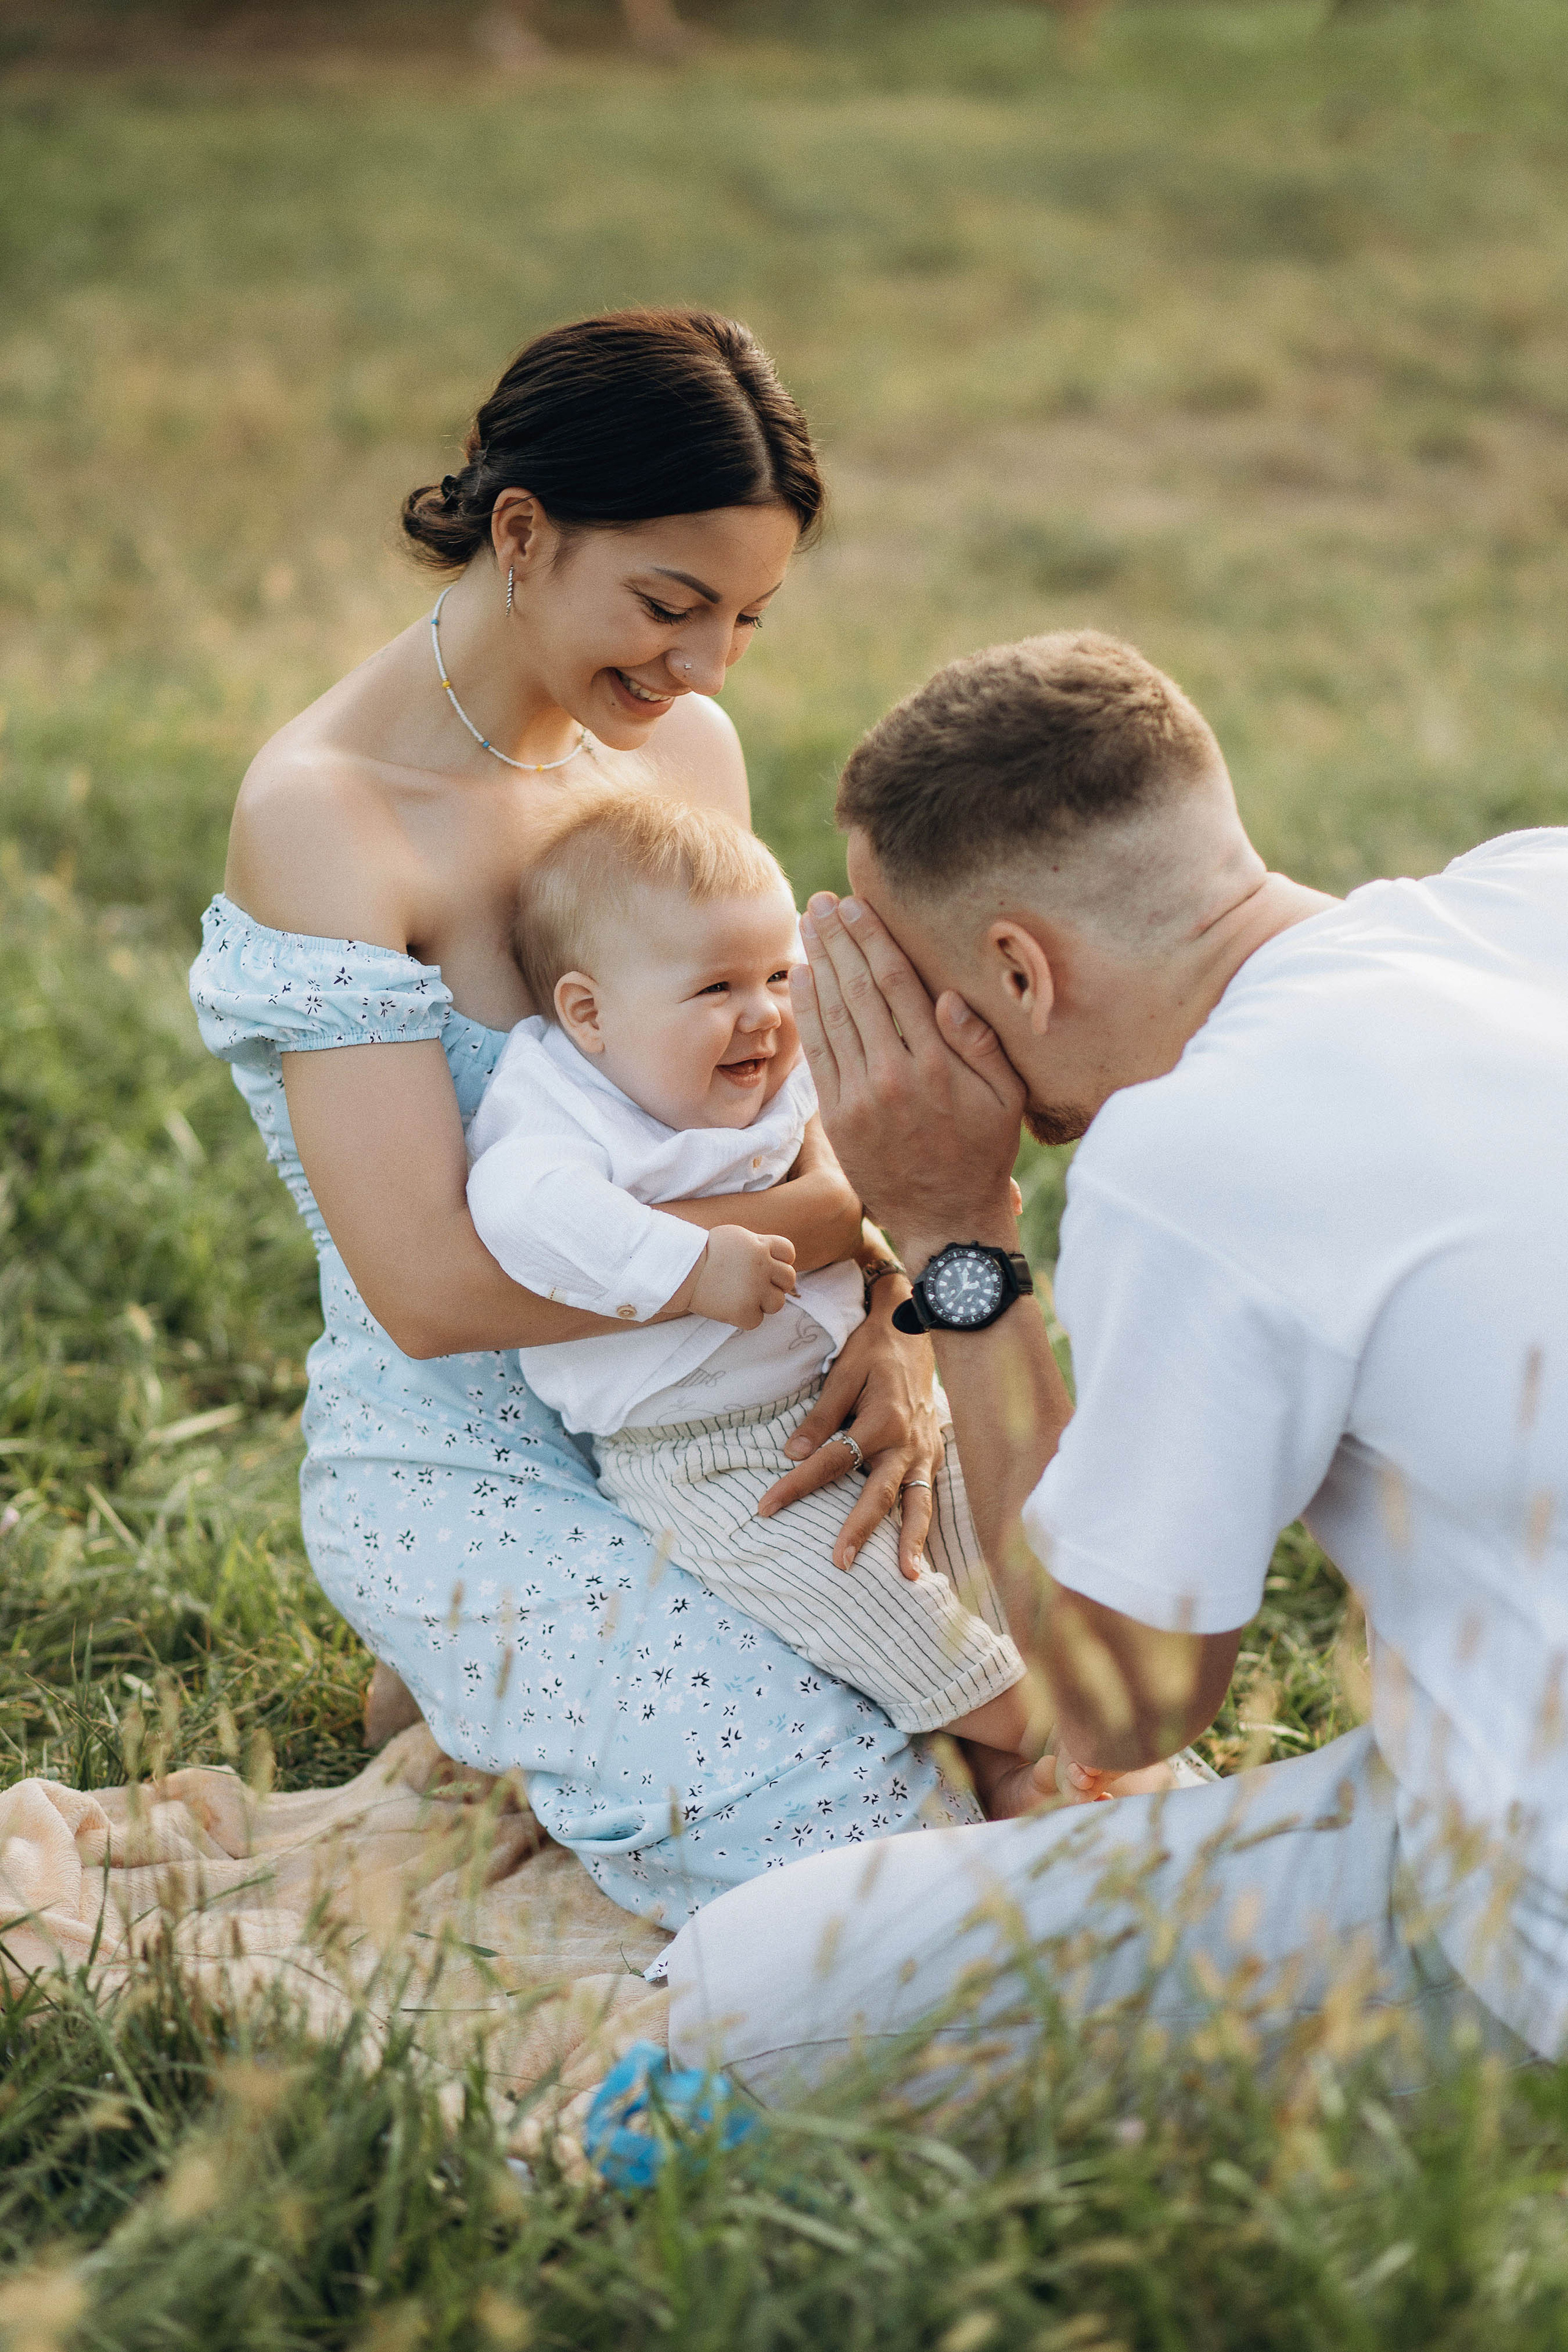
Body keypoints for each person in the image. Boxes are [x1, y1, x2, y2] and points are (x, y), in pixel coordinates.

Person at [664, 630, 1567, 2088]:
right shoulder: (1533, 887)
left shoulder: (1196, 1149)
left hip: (1533, 1917)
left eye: (917, 988)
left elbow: (1115, 1702)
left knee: (742, 1994)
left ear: (1017, 970)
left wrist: (950, 1226)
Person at [189, 309, 988, 1928]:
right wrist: (842, 1223)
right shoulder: (326, 816)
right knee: (876, 1865)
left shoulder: (681, 750)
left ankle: (484, 1706)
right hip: (470, 1454)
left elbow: (784, 1095)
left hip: (748, 1410)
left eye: (745, 619)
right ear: (521, 532)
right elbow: (434, 1288)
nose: (703, 668)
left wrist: (896, 1321)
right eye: (669, 606)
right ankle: (474, 1639)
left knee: (1032, 1732)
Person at [463, 788, 1057, 1814]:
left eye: (779, 976)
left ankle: (1027, 1777)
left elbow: (862, 1173)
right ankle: (1054, 1740)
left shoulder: (772, 1069)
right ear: (589, 1014)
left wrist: (909, 1265)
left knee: (979, 1547)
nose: (766, 1014)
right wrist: (688, 1267)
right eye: (718, 988)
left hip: (859, 1388)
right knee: (877, 1600)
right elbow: (521, 1207)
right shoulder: (558, 1107)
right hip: (714, 1460)